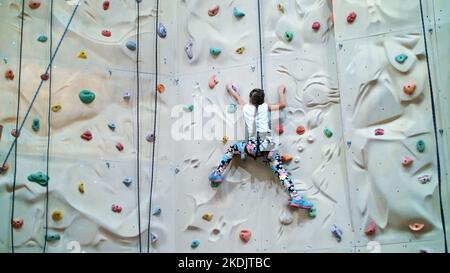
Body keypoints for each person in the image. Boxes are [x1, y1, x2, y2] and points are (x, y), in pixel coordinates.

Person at [208, 83, 315, 210]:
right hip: (267, 146)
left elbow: (237, 97)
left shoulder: (246, 107)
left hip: (252, 147)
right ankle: (295, 196)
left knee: (231, 150)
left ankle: (218, 173)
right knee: (281, 171)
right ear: (262, 100)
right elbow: (282, 105)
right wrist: (281, 91)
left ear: (249, 99)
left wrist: (229, 88)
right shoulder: (265, 107)